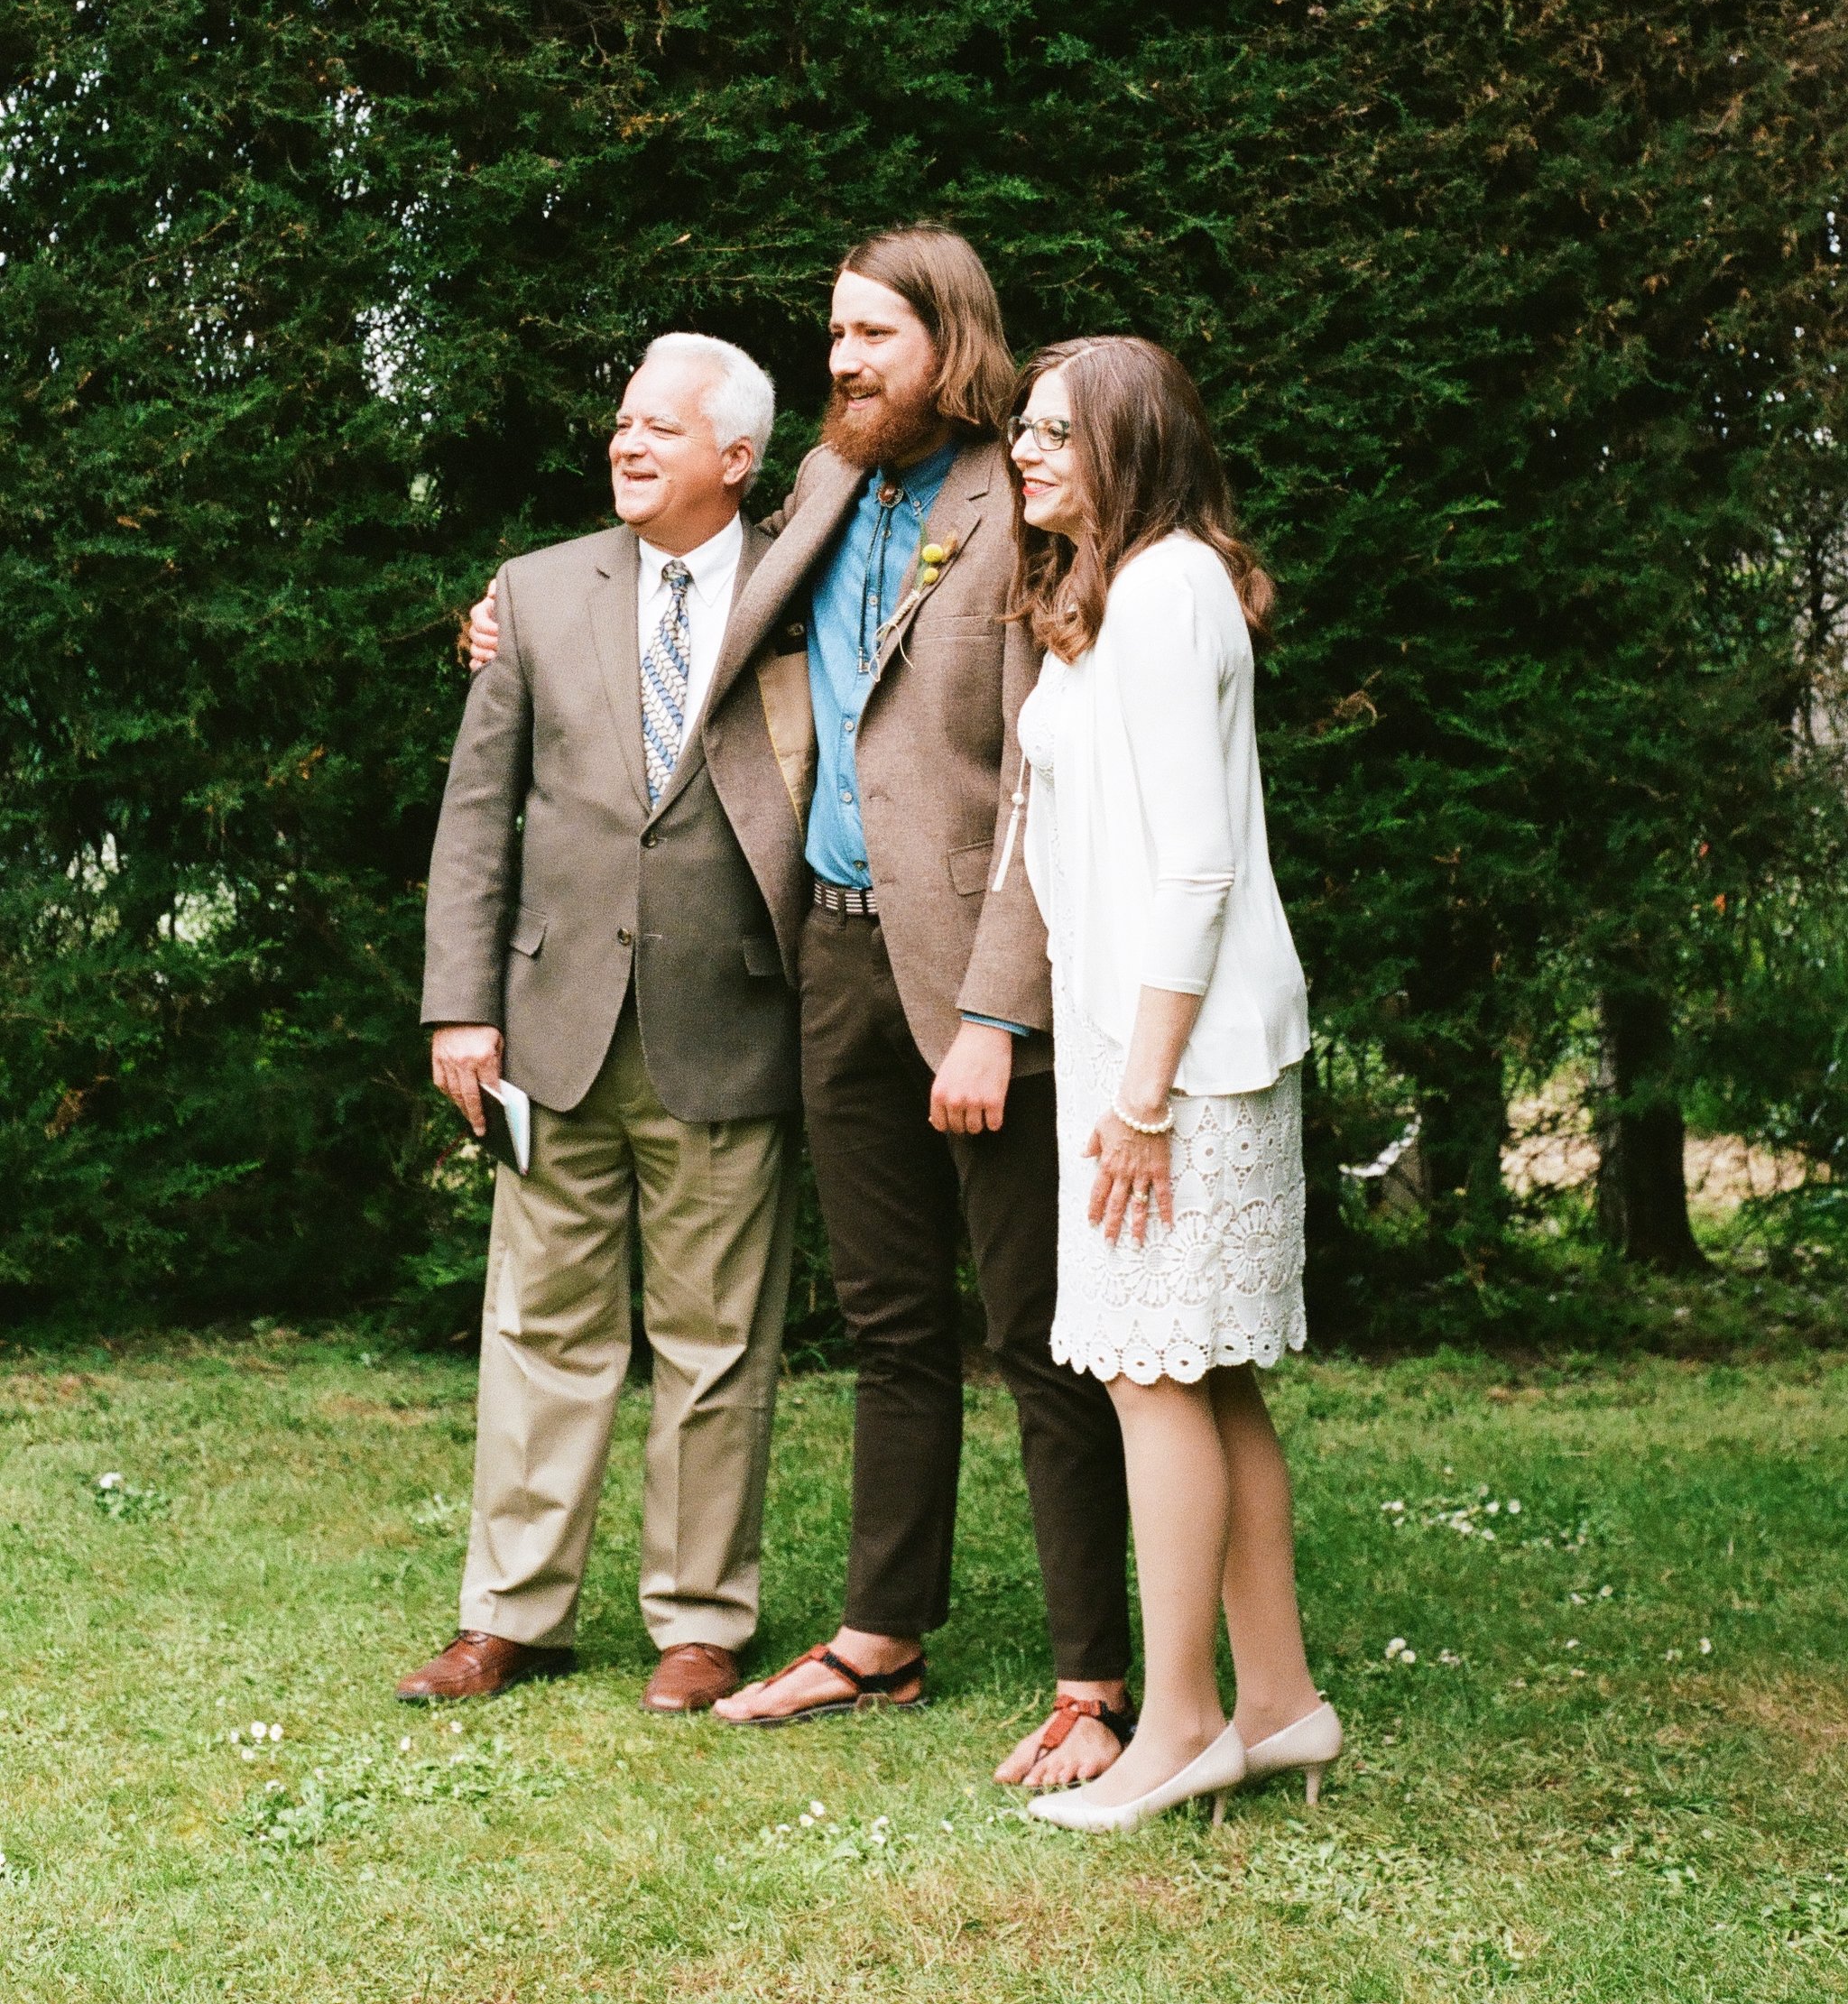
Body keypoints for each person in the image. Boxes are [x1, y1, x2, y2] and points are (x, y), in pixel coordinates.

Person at [467, 231, 1136, 1791]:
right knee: (896, 1328)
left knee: (1037, 1332)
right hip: (829, 960)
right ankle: (878, 1639)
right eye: (834, 334)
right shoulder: (830, 492)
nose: (845, 361)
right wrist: (500, 626)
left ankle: (1091, 1674)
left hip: (976, 981)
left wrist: (997, 1011)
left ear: (950, 343)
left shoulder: (1019, 503)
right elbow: (667, 598)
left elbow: (1050, 772)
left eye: (875, 336)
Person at [401, 333, 814, 1718]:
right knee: (540, 1324)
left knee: (715, 1344)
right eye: (623, 423)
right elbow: (476, 813)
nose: (627, 444)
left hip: (729, 1022)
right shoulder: (530, 592)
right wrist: (461, 1003)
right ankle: (507, 1614)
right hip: (551, 1026)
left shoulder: (805, 580)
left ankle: (699, 1622)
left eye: (662, 429)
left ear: (739, 460)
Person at [1003, 336, 1342, 1835]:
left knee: (1153, 1372)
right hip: (1155, 1049)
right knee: (1205, 1367)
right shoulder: (1134, 586)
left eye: (1057, 433)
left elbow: (1195, 866)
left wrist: (1137, 1098)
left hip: (1177, 1064)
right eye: (1022, 429)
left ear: (1132, 446)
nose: (1025, 451)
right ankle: (1281, 1704)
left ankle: (1188, 1720)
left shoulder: (1157, 593)